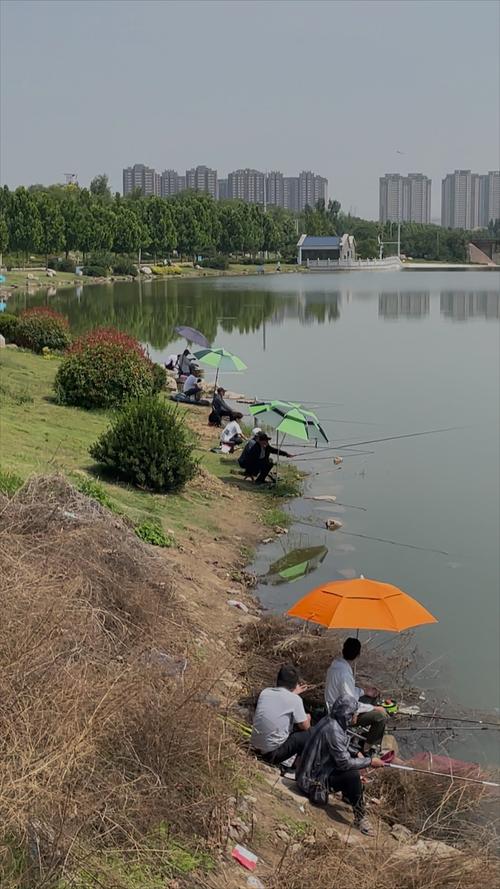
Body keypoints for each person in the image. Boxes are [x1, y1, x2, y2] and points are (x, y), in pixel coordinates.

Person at [296, 694, 384, 835]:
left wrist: (356, 753)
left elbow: (339, 746)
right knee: (352, 775)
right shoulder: (335, 730)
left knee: (352, 769)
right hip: (311, 781)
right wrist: (369, 762)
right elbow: (344, 763)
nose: (356, 716)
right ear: (348, 715)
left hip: (308, 772)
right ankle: (360, 818)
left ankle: (350, 796)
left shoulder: (330, 720)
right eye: (355, 713)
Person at [325, 638, 388, 751]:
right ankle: (367, 747)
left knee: (372, 695)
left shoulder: (336, 665)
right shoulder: (345, 673)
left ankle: (368, 732)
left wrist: (364, 691)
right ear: (358, 654)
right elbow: (350, 703)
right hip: (341, 715)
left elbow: (347, 691)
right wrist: (375, 708)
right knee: (381, 717)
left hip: (339, 705)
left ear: (343, 650)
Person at [251, 665, 311, 765]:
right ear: (295, 684)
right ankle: (294, 767)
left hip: (255, 746)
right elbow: (305, 726)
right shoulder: (295, 700)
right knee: (309, 734)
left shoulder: (265, 692)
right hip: (272, 754)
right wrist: (307, 718)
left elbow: (282, 699)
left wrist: (294, 693)